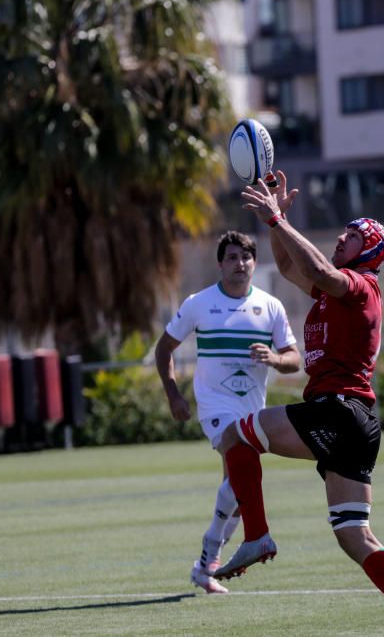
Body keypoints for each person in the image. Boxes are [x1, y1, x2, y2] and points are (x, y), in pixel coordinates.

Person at [208, 172, 384, 637]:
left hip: (338, 409)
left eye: (352, 236)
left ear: (369, 251)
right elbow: (294, 269)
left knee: (235, 435)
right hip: (357, 418)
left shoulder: (360, 286)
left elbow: (315, 270)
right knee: (355, 535)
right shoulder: (337, 290)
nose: (341, 236)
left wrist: (275, 217)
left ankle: (256, 534)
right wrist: (278, 224)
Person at [155, 230, 301, 594]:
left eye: (247, 257)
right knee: (240, 469)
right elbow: (164, 349)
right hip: (215, 405)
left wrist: (275, 358)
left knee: (238, 489)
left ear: (254, 263)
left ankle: (205, 564)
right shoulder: (198, 303)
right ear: (220, 264)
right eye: (233, 257)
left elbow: (294, 360)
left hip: (253, 408)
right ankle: (210, 558)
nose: (241, 264)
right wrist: (173, 394)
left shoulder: (270, 306)